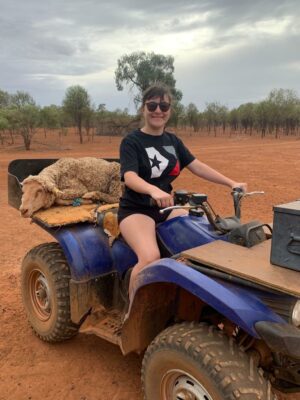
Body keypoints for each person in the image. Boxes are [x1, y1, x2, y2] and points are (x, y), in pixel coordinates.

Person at [118, 83, 247, 301]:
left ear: (170, 110)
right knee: (150, 257)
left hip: (168, 207)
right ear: (143, 109)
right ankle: (131, 314)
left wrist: (231, 182)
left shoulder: (173, 141)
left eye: (164, 105)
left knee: (202, 241)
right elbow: (129, 177)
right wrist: (153, 191)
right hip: (137, 209)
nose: (158, 110)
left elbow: (197, 166)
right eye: (152, 105)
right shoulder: (132, 141)